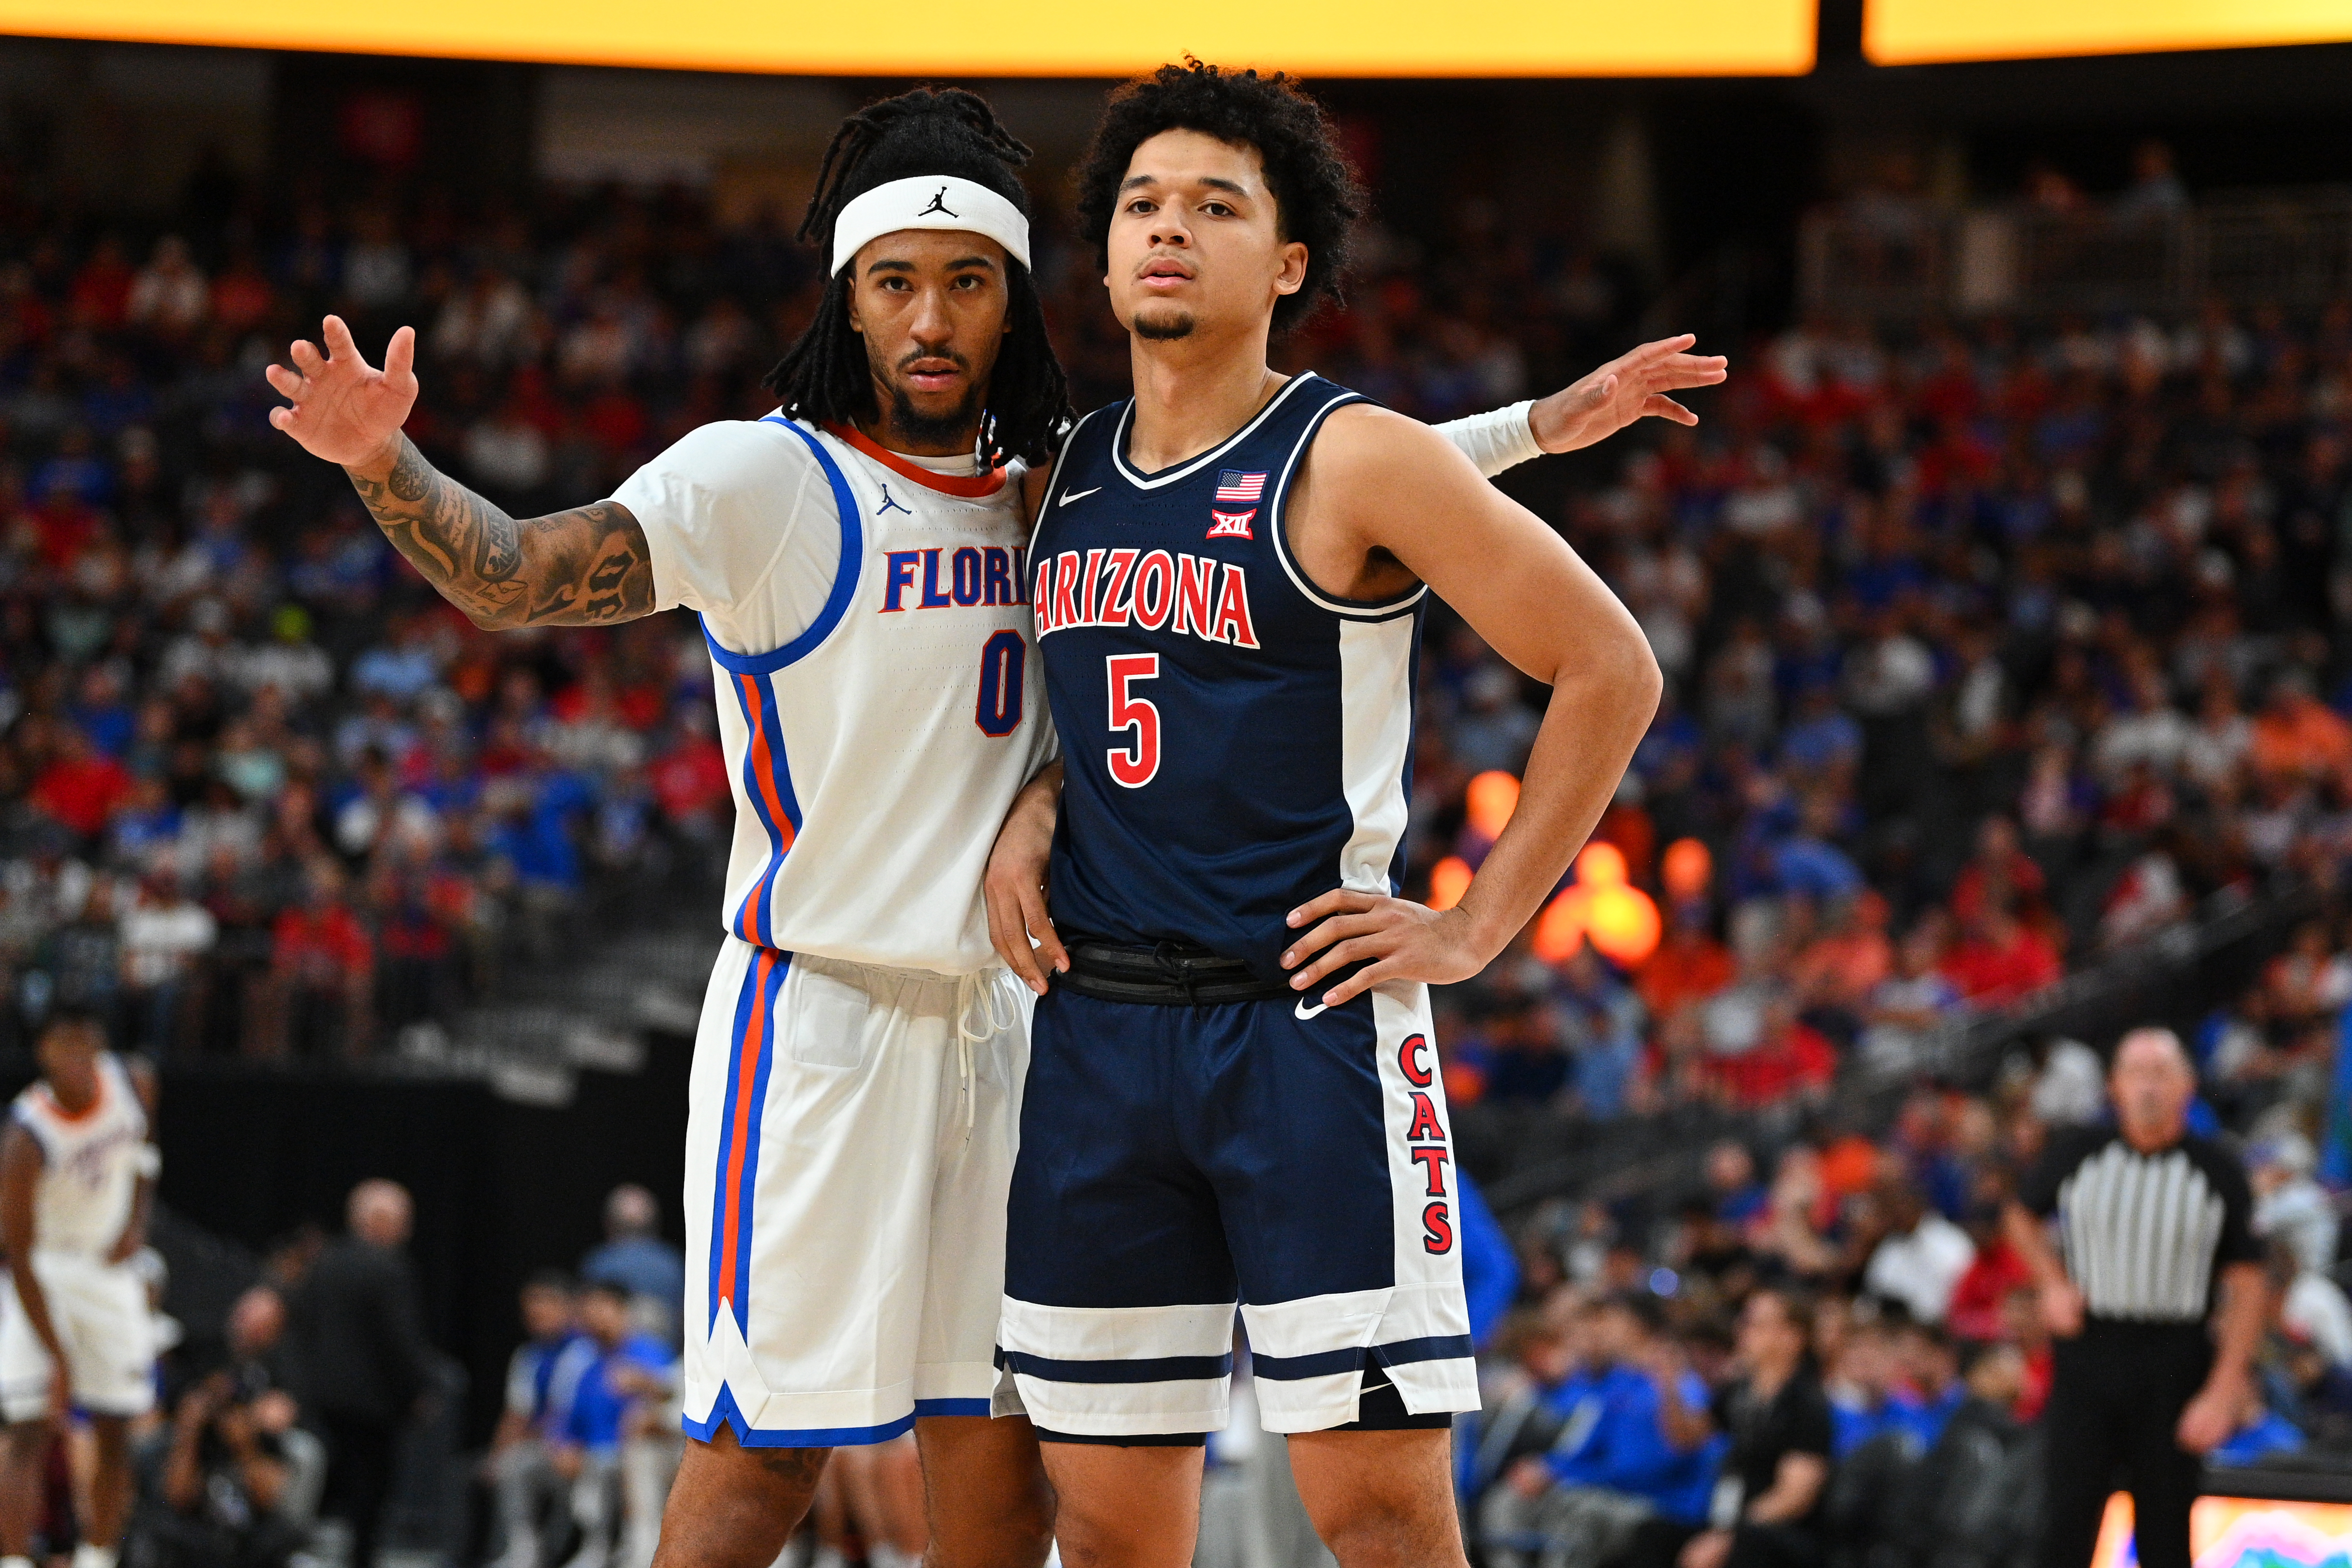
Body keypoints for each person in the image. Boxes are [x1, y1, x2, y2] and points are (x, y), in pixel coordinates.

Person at [263, 79, 1648, 1568]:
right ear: (847, 297)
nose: (930, 317)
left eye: (968, 281)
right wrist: (384, 466)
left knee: (1004, 1491)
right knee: (764, 1467)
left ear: (1015, 299)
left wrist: (1528, 433)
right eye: (895, 283)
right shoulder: (770, 473)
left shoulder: (1041, 483)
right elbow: (521, 573)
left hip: (1040, 1024)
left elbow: (1285, 481)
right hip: (839, 1018)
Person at [985, 60, 1714, 1568]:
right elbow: (1098, 710)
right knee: (1106, 1531)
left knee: (1379, 1516)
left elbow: (1609, 666)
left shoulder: (1350, 452)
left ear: (1286, 262)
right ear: (1103, 253)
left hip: (1304, 1026)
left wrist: (1476, 924)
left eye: (1213, 206)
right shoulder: (1059, 476)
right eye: (1140, 205)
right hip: (1097, 1036)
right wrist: (1037, 803)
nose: (1166, 229)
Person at [2002, 1027, 2268, 1568]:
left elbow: (2249, 1285)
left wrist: (2222, 1389)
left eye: (2160, 1073)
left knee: (2165, 1532)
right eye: (2136, 1072)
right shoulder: (2077, 1152)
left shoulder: (2218, 1170)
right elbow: (2019, 1215)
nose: (2148, 1086)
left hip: (2174, 1359)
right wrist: (2051, 1281)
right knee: (2063, 1525)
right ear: (2114, 1086)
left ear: (2186, 1086)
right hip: (2087, 1351)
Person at [0, 1008, 159, 1568]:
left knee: (117, 1426)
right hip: (44, 1272)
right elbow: (17, 1254)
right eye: (63, 1044)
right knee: (29, 1427)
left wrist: (137, 1221)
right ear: (43, 1053)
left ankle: (98, 1557)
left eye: (85, 1042)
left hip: (108, 1274)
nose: (76, 1055)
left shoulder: (133, 1082)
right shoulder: (26, 1137)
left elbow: (145, 1155)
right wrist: (58, 1354)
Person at [289, 1179, 436, 1568]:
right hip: (373, 1405)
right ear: (378, 1221)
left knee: (323, 1480)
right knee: (369, 1492)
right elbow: (399, 1340)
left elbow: (301, 1325)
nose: (407, 1231)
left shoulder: (324, 1262)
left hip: (319, 1398)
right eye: (402, 1221)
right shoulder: (390, 1269)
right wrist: (419, 1388)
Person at [1630, 1289, 1831, 1568]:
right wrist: (1670, 1386)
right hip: (1731, 1518)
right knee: (1652, 1534)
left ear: (1792, 1337)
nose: (1743, 1330)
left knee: (1744, 1550)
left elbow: (1794, 1497)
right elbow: (1686, 1438)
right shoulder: (1740, 1391)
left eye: (1756, 1324)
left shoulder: (1807, 1403)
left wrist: (1729, 1535)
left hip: (1777, 1533)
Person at [489, 1273, 586, 1568]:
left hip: (587, 1446)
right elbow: (518, 1412)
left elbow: (584, 1408)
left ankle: (577, 1552)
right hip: (549, 1447)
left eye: (545, 1308)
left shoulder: (587, 1350)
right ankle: (523, 1550)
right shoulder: (529, 1356)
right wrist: (497, 1455)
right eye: (531, 1312)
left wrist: (572, 1445)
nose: (537, 1317)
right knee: (510, 1464)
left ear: (567, 1308)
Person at [580, 1186, 684, 1345]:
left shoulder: (598, 1263)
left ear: (609, 1223)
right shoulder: (672, 1261)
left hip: (638, 1351)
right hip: (665, 1350)